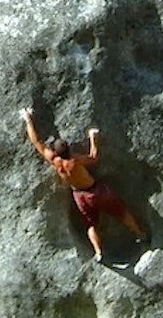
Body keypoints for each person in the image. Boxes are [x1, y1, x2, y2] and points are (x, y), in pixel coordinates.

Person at [21, 108, 147, 263]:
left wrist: (28, 119)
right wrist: (93, 138)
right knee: (121, 212)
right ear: (69, 149)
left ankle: (99, 252)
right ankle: (140, 234)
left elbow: (37, 142)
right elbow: (93, 158)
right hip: (95, 191)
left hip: (79, 196)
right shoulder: (74, 160)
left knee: (90, 225)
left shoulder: (54, 161)